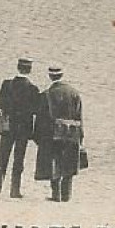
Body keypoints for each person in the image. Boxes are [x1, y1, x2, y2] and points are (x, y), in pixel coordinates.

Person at [36, 66, 84, 203]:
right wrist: (81, 137)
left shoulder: (46, 95)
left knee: (54, 163)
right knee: (69, 163)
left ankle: (56, 194)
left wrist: (38, 137)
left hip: (52, 135)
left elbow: (41, 119)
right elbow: (79, 117)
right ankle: (67, 195)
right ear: (62, 75)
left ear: (50, 77)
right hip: (71, 133)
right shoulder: (74, 93)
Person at [0, 58, 40, 198]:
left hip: (8, 125)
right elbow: (35, 110)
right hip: (23, 129)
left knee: (2, 156)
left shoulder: (7, 84)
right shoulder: (33, 89)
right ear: (30, 70)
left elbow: (0, 103)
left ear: (17, 67)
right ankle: (15, 189)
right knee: (18, 159)